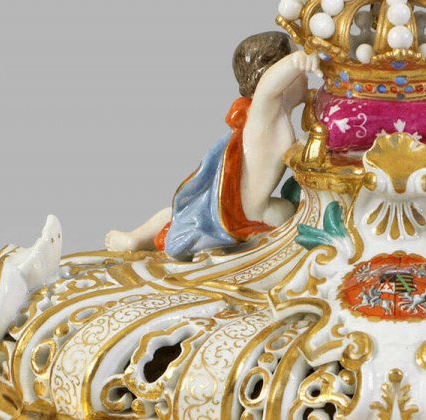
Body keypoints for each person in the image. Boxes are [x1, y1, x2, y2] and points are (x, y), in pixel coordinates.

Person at [105, 32, 317, 259]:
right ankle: (135, 239)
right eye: (297, 69)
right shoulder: (264, 115)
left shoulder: (278, 114)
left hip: (238, 207)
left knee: (184, 215)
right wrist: (297, 61)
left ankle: (137, 238)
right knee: (291, 214)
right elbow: (268, 86)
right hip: (246, 216)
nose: (304, 76)